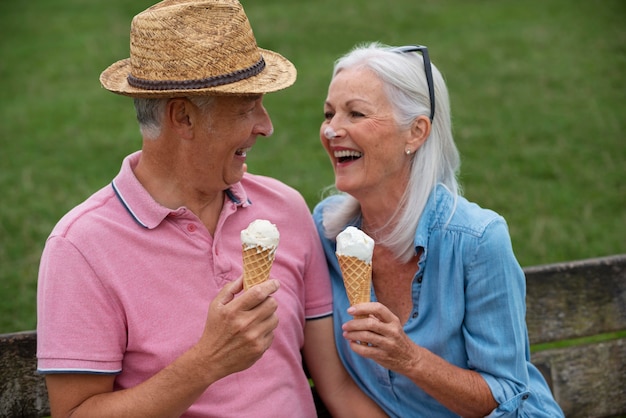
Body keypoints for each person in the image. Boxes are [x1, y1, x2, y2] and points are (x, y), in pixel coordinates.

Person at [36, 2, 387, 417]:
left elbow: (338, 389)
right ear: (182, 117)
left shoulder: (286, 210)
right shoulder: (81, 247)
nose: (266, 125)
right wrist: (207, 362)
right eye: (247, 106)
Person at [313, 42, 565, 417]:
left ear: (415, 132)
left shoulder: (478, 240)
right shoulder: (326, 231)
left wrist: (409, 358)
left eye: (356, 114)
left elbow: (508, 396)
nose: (332, 131)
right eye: (329, 114)